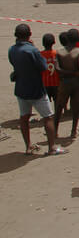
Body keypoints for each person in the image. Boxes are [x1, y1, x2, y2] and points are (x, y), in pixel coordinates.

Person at [8, 24, 64, 156]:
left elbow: (14, 64)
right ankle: (52, 147)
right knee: (48, 117)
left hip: (21, 89)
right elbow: (43, 67)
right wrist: (33, 47)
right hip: (36, 89)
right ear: (29, 35)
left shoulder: (12, 49)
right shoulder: (32, 50)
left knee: (24, 117)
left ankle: (28, 146)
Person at [54, 29, 79, 139]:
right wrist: (76, 73)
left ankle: (55, 130)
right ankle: (73, 131)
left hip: (64, 82)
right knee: (76, 107)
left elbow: (57, 68)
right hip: (76, 82)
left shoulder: (59, 51)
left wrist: (66, 72)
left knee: (59, 107)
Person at [39, 32, 59, 104]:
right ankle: (57, 114)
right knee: (57, 100)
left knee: (45, 102)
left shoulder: (40, 55)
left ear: (43, 43)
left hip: (45, 83)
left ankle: (48, 114)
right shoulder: (57, 53)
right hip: (56, 82)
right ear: (54, 42)